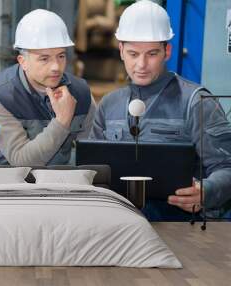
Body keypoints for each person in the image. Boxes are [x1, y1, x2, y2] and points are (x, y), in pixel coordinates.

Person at [89, 0, 231, 220]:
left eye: (152, 54)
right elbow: (92, 172)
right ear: (121, 51)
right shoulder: (109, 105)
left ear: (167, 51)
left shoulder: (196, 101)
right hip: (119, 222)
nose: (142, 65)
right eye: (134, 54)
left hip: (179, 223)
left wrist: (206, 191)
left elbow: (226, 167)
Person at [0, 9, 96, 166]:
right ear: (23, 61)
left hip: (62, 185)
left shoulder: (80, 93)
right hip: (7, 186)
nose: (56, 67)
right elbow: (21, 161)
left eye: (61, 56)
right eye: (44, 58)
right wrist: (62, 121)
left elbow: (90, 156)